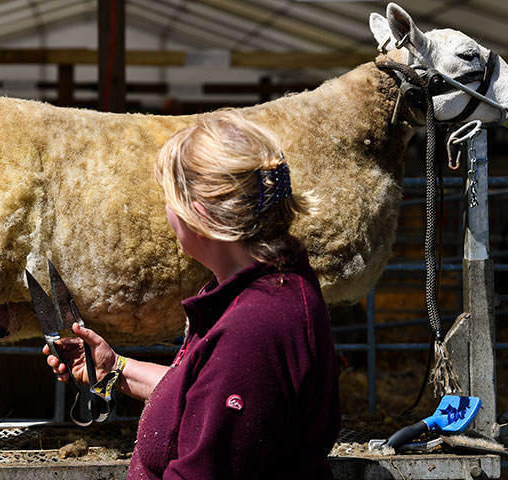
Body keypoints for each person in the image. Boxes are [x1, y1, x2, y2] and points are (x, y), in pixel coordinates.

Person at [44, 110, 341, 479]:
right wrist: (114, 369)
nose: (166, 212)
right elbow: (204, 396)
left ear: (196, 216)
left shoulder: (253, 331)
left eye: (169, 200)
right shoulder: (272, 286)